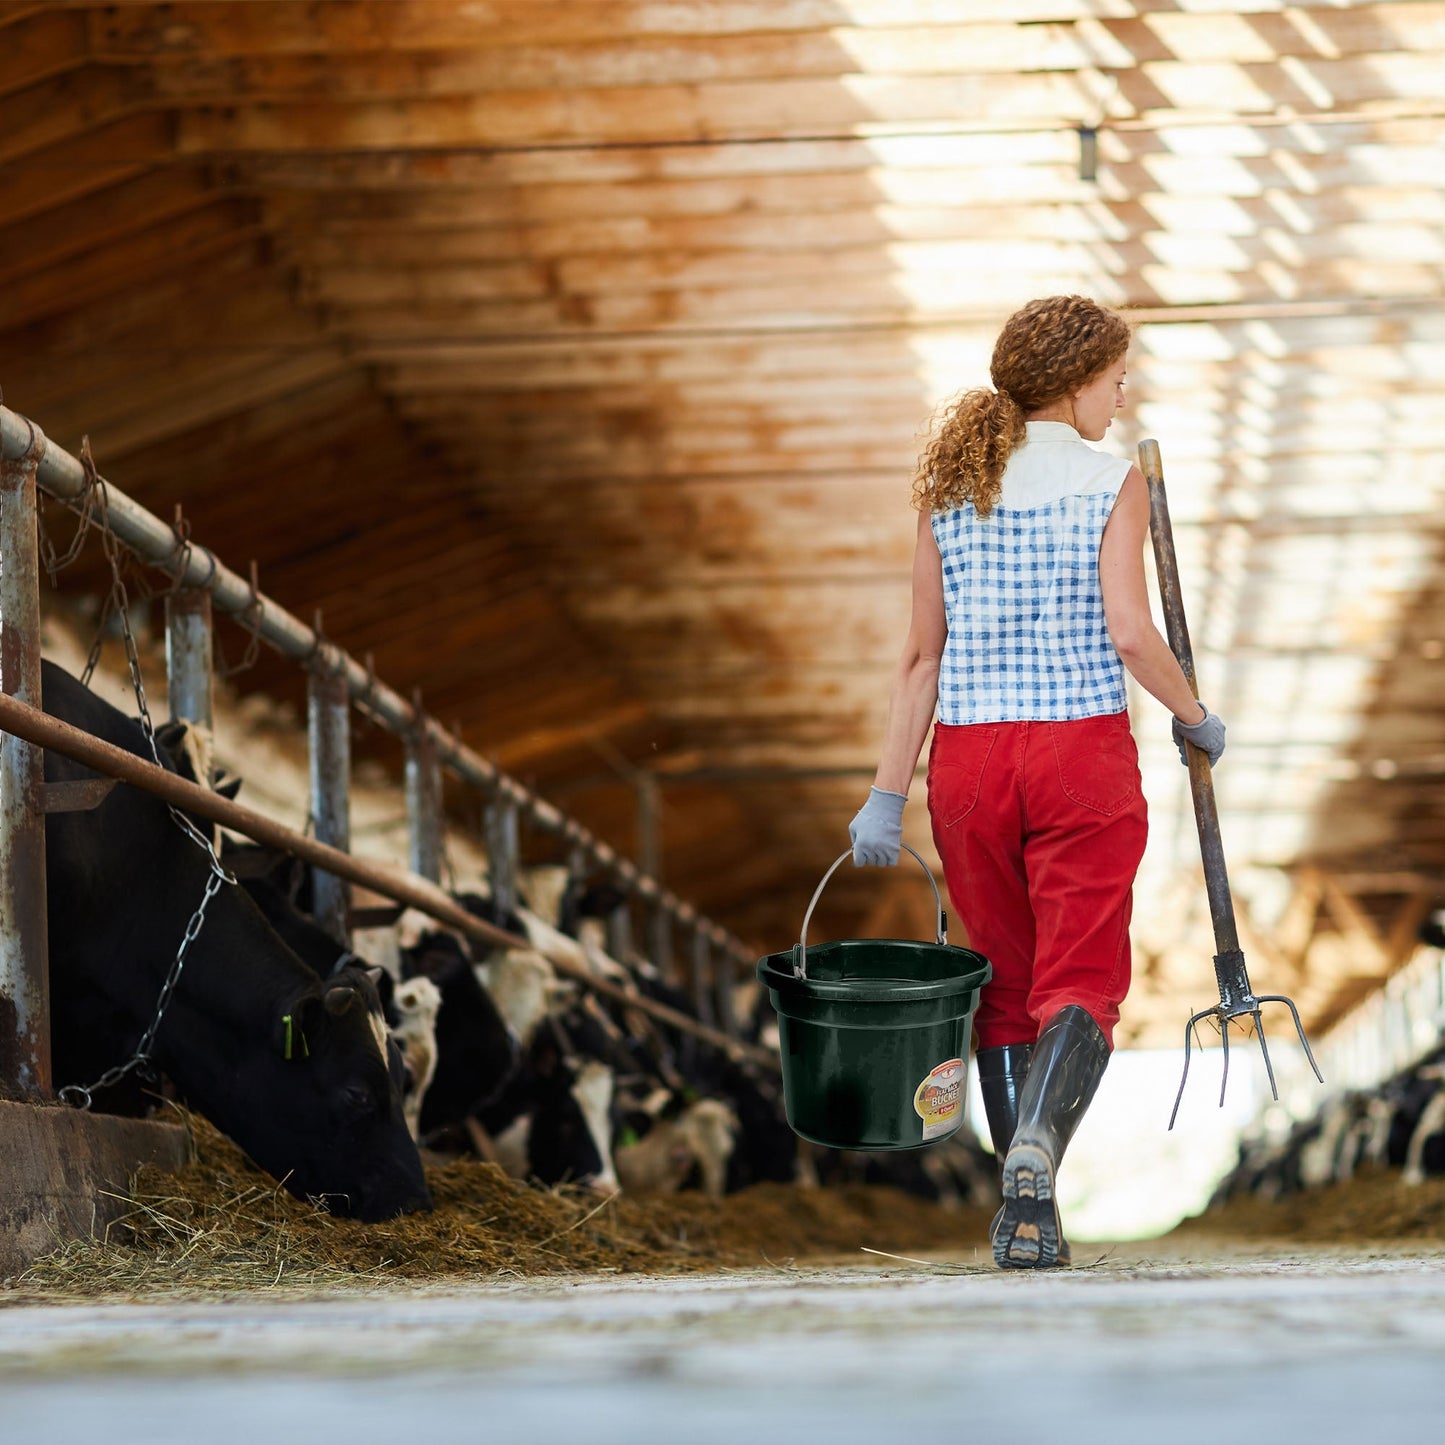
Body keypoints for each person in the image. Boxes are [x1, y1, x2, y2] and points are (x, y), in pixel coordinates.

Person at [848, 294, 1225, 1270]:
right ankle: (1034, 1154)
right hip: (1076, 757)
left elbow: (917, 660)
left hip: (969, 765)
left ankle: (1028, 1211)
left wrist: (888, 792)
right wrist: (1191, 715)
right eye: (1113, 376)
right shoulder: (1109, 482)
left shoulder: (947, 488)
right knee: (1081, 983)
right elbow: (1131, 632)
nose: (1120, 391)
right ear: (1073, 380)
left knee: (1005, 984)